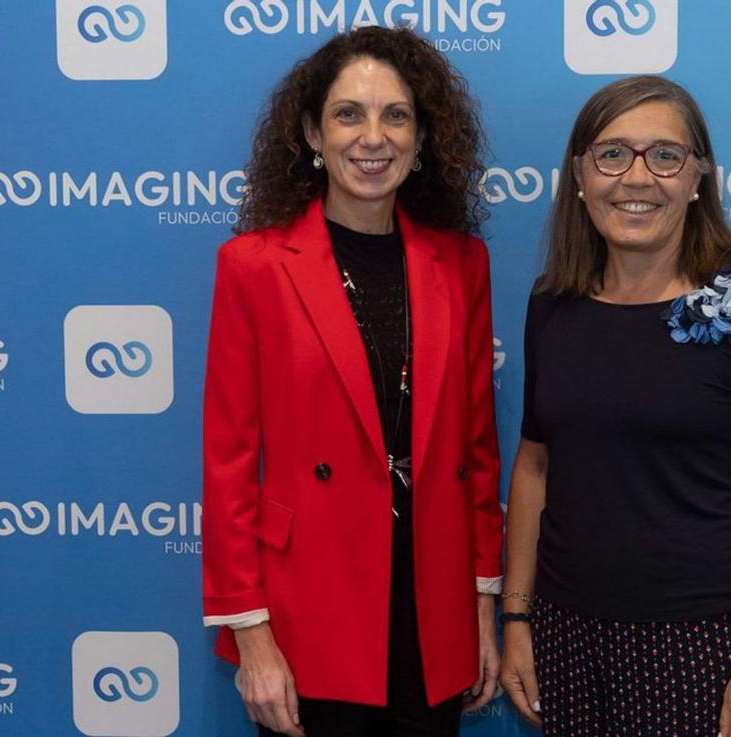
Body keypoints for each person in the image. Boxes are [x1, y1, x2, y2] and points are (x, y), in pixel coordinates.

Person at [499, 75, 731, 737]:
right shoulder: (551, 303)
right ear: (581, 175)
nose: (637, 177)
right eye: (613, 154)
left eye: (665, 155)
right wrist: (516, 617)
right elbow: (535, 467)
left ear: (698, 176)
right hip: (567, 637)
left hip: (703, 643)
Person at [201, 26, 503, 737]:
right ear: (312, 131)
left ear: (424, 137)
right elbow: (229, 463)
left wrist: (481, 607)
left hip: (432, 615)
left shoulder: (461, 264)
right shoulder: (253, 266)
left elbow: (479, 453)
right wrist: (253, 636)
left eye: (396, 114)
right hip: (309, 614)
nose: (374, 137)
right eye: (349, 113)